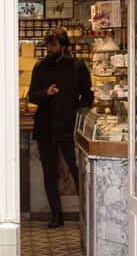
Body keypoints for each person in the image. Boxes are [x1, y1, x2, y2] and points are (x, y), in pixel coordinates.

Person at [27, 28, 92, 229]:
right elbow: (32, 95)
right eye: (48, 45)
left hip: (69, 127)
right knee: (49, 172)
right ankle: (56, 215)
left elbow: (88, 97)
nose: (49, 48)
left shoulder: (77, 67)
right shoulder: (40, 67)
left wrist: (76, 113)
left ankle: (86, 214)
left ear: (63, 46)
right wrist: (46, 93)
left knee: (76, 171)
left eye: (53, 44)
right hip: (45, 126)